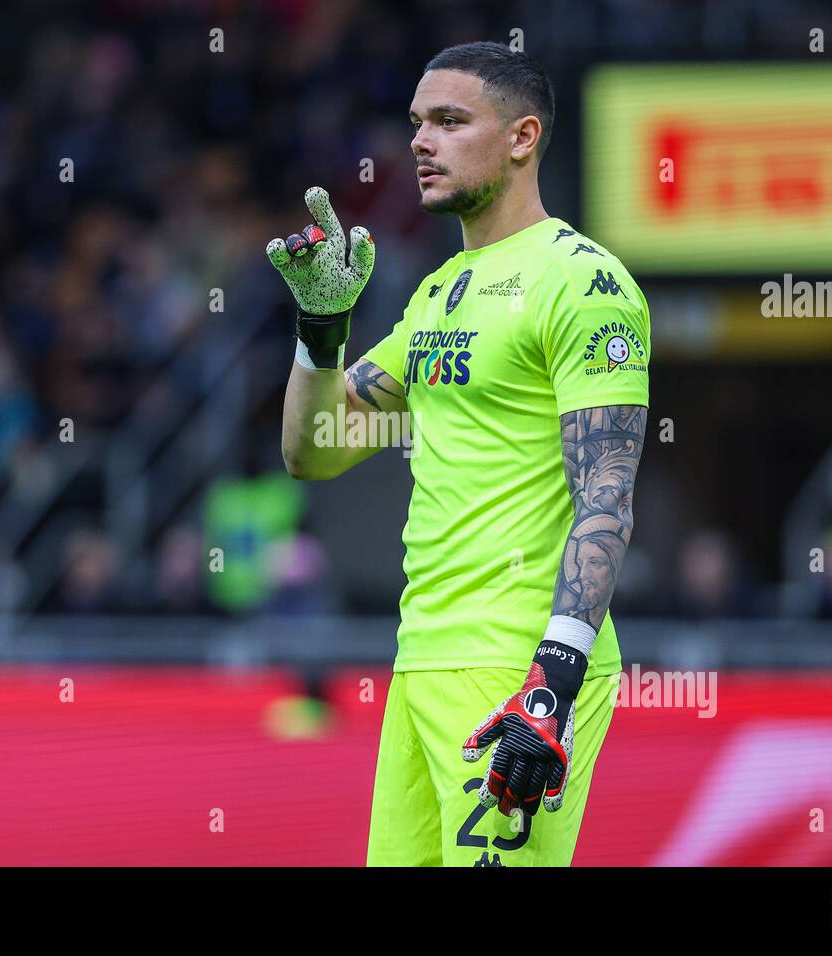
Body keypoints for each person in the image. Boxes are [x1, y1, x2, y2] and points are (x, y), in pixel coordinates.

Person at [268, 41, 651, 867]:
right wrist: (321, 333)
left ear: (522, 137)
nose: (420, 142)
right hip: (420, 660)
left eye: (449, 121)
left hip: (516, 667)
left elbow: (608, 495)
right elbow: (314, 452)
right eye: (415, 124)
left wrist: (552, 684)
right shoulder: (440, 293)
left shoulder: (584, 283)